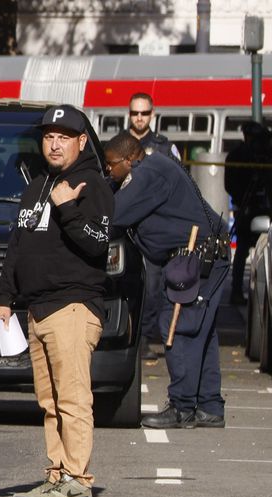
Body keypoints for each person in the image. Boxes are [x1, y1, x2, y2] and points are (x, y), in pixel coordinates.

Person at [0, 104, 113, 497]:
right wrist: (4, 299)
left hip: (74, 306)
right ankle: (57, 474)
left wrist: (68, 209)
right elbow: (17, 246)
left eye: (64, 137)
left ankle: (78, 479)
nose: (55, 143)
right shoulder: (38, 184)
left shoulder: (91, 184)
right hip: (38, 309)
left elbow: (98, 244)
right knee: (49, 402)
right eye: (49, 136)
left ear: (82, 142)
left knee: (73, 398)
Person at [104, 131, 230, 430]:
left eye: (111, 165)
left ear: (130, 159)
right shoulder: (155, 167)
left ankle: (182, 407)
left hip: (195, 257)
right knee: (201, 331)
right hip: (203, 254)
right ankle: (209, 406)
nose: (109, 171)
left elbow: (115, 215)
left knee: (179, 326)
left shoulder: (147, 174)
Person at [122, 92, 180, 360]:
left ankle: (144, 337)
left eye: (144, 113)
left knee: (153, 286)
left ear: (152, 114)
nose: (139, 118)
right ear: (129, 114)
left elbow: (179, 183)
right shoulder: (117, 144)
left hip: (154, 227)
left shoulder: (164, 147)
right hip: (123, 225)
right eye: (135, 113)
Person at [224, 121, 271, 305]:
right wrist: (243, 197)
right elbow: (229, 184)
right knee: (242, 248)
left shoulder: (266, 156)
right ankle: (236, 290)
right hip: (245, 208)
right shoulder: (238, 156)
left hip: (263, 206)